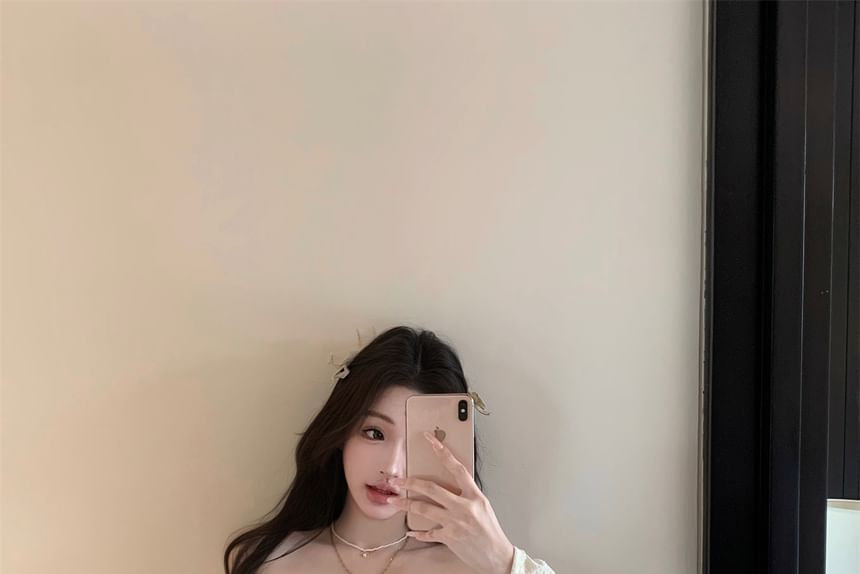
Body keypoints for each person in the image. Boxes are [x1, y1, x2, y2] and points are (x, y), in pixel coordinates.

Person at [223, 325, 555, 574]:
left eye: (420, 444)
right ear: (341, 432)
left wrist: (502, 560)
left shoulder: (472, 568)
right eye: (374, 433)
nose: (393, 468)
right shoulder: (267, 560)